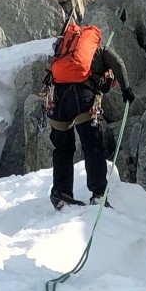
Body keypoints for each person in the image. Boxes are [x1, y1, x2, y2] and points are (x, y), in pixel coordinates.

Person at [43, 26, 121, 209]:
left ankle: (61, 193)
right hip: (81, 98)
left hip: (57, 97)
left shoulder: (65, 48)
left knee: (62, 147)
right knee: (92, 146)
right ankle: (99, 193)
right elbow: (119, 64)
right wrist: (127, 91)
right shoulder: (100, 50)